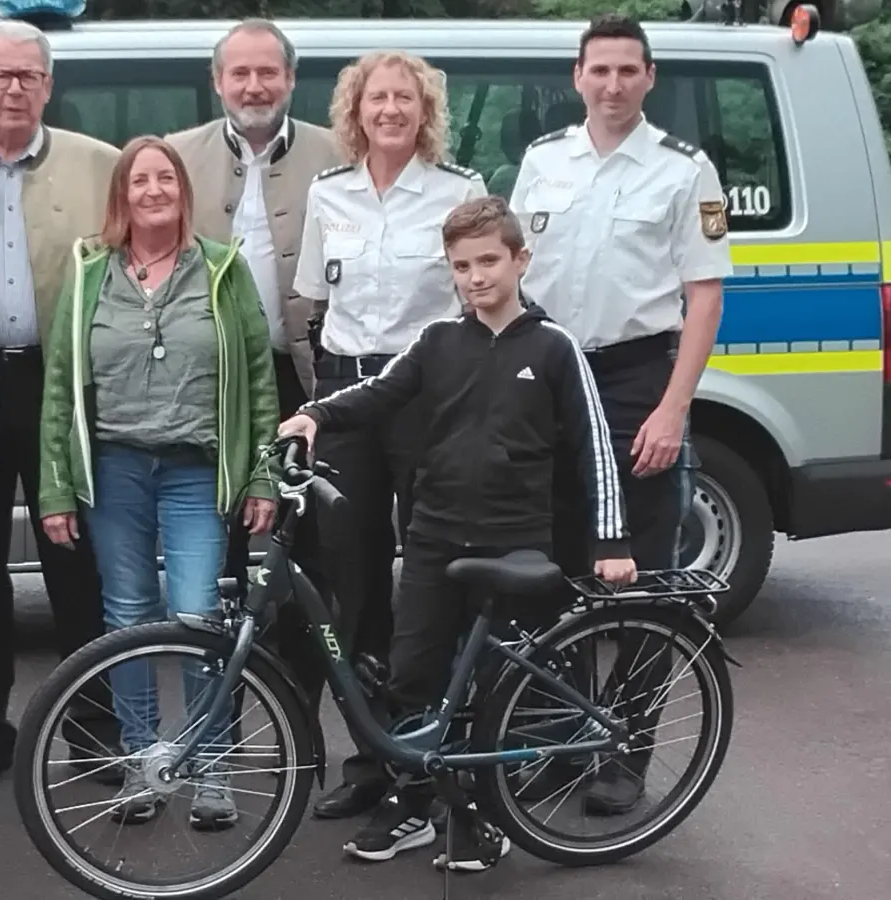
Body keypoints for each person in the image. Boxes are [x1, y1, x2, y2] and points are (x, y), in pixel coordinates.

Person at [278, 194, 636, 867]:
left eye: (488, 261)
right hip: (435, 536)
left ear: (520, 260)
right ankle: (415, 805)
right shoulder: (437, 341)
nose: (476, 277)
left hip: (515, 541)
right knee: (413, 676)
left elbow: (594, 446)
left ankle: (481, 818)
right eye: (461, 265)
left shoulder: (554, 347)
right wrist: (317, 415)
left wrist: (612, 542)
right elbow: (381, 392)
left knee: (501, 688)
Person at [509, 12, 733, 816]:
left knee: (639, 572)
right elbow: (512, 276)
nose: (611, 85)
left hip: (639, 378)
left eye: (626, 71)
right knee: (551, 566)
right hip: (552, 376)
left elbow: (704, 295)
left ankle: (627, 751)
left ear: (649, 78)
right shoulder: (541, 162)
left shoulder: (682, 169)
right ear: (578, 77)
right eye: (598, 71)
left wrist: (675, 407)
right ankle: (565, 733)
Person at [37, 135, 279, 829]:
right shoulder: (88, 274)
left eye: (165, 179)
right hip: (115, 470)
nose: (153, 190)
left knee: (200, 615)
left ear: (182, 191)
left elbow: (260, 382)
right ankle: (144, 763)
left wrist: (261, 474)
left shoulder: (223, 270)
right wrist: (55, 487)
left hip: (196, 470)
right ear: (122, 194)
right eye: (139, 180)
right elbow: (60, 387)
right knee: (128, 617)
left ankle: (209, 767)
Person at [290, 49, 487, 823]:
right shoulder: (328, 193)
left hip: (428, 397)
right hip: (348, 391)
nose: (392, 110)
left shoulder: (458, 192)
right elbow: (313, 305)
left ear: (425, 110)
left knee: (434, 572)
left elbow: (478, 302)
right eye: (378, 98)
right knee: (354, 575)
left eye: (406, 98)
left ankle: (437, 749)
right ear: (356, 111)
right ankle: (372, 756)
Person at [0, 18, 121, 771]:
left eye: (28, 76)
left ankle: (93, 734)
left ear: (48, 85)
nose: (13, 88)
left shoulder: (98, 166)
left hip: (61, 381)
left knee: (74, 558)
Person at [165, 17, 342, 700]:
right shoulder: (179, 157)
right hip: (213, 387)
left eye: (268, 71)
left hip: (310, 379)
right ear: (217, 82)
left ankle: (298, 703)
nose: (254, 85)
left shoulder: (337, 150)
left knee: (310, 553)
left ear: (291, 79)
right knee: (221, 552)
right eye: (239, 72)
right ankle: (223, 720)